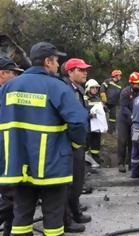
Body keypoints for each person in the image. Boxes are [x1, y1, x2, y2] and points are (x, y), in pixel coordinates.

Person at [0, 42, 88, 236]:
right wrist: (74, 144)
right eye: (56, 61)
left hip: (17, 167)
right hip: (51, 166)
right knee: (54, 219)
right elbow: (79, 121)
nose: (58, 66)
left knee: (21, 217)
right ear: (48, 62)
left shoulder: (9, 87)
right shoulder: (56, 86)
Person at [63, 58, 92, 232]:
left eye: (84, 70)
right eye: (80, 70)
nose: (85, 72)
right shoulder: (65, 89)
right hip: (70, 143)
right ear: (70, 72)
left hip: (79, 142)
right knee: (69, 182)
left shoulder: (79, 89)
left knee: (78, 180)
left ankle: (75, 211)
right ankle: (67, 218)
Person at [0, 57, 23, 236]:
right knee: (11, 198)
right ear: (3, 73)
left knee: (13, 199)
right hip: (4, 157)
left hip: (8, 154)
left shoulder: (7, 94)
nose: (16, 77)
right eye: (14, 73)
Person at [117, 72, 139, 173]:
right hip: (124, 120)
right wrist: (132, 115)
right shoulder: (125, 92)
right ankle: (121, 163)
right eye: (137, 83)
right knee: (122, 141)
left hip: (135, 119)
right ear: (132, 84)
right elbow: (123, 107)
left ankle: (131, 163)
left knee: (132, 142)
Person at [84, 79, 103, 165]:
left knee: (96, 141)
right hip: (87, 125)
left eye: (96, 88)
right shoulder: (84, 98)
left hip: (96, 125)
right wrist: (90, 115)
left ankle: (95, 157)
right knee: (87, 141)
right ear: (88, 88)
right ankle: (86, 160)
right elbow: (82, 111)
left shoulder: (98, 98)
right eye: (93, 88)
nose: (95, 89)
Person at [100, 69, 122, 134]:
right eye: (119, 75)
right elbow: (102, 88)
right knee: (102, 115)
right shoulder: (108, 81)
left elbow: (120, 94)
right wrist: (103, 96)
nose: (120, 77)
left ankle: (110, 131)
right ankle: (101, 130)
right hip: (105, 102)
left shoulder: (120, 85)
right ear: (115, 76)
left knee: (113, 118)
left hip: (113, 104)